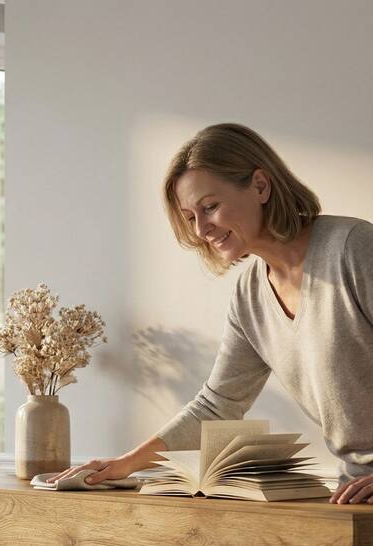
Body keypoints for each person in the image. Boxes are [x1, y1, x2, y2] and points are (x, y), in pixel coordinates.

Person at [48, 122, 373, 504]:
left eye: (211, 207)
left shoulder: (354, 249)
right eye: (190, 217)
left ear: (261, 186)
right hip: (355, 493)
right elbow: (218, 405)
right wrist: (125, 464)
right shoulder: (250, 294)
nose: (202, 229)